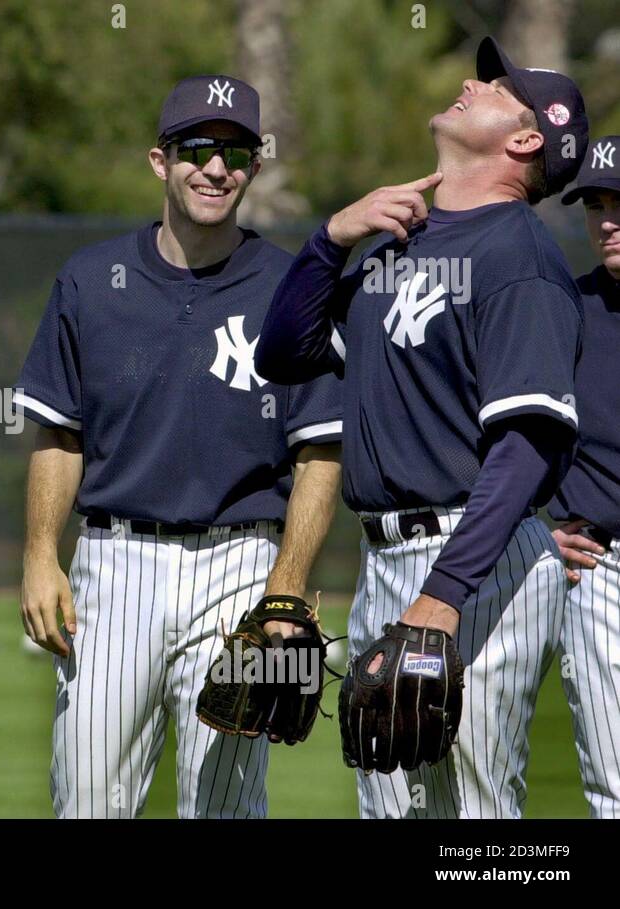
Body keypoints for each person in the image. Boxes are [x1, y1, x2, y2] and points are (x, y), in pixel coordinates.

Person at [256, 37, 587, 817]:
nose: (472, 82)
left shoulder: (520, 256)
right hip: (386, 558)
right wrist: (330, 240)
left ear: (526, 139)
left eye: (499, 86)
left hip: (475, 559)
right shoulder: (395, 245)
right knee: (393, 807)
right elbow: (285, 351)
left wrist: (442, 596)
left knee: (469, 807)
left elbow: (529, 446)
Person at [14, 75, 343, 818]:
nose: (216, 167)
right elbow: (59, 433)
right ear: (159, 161)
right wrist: (40, 554)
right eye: (196, 148)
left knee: (225, 805)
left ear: (255, 167)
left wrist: (286, 587)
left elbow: (318, 453)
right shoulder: (91, 280)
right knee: (88, 799)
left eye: (235, 151)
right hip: (114, 564)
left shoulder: (291, 286)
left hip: (239, 566)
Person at [548, 134, 620, 818]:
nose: (608, 219)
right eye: (597, 203)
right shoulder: (566, 311)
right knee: (614, 784)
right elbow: (513, 435)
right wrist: (542, 525)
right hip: (601, 568)